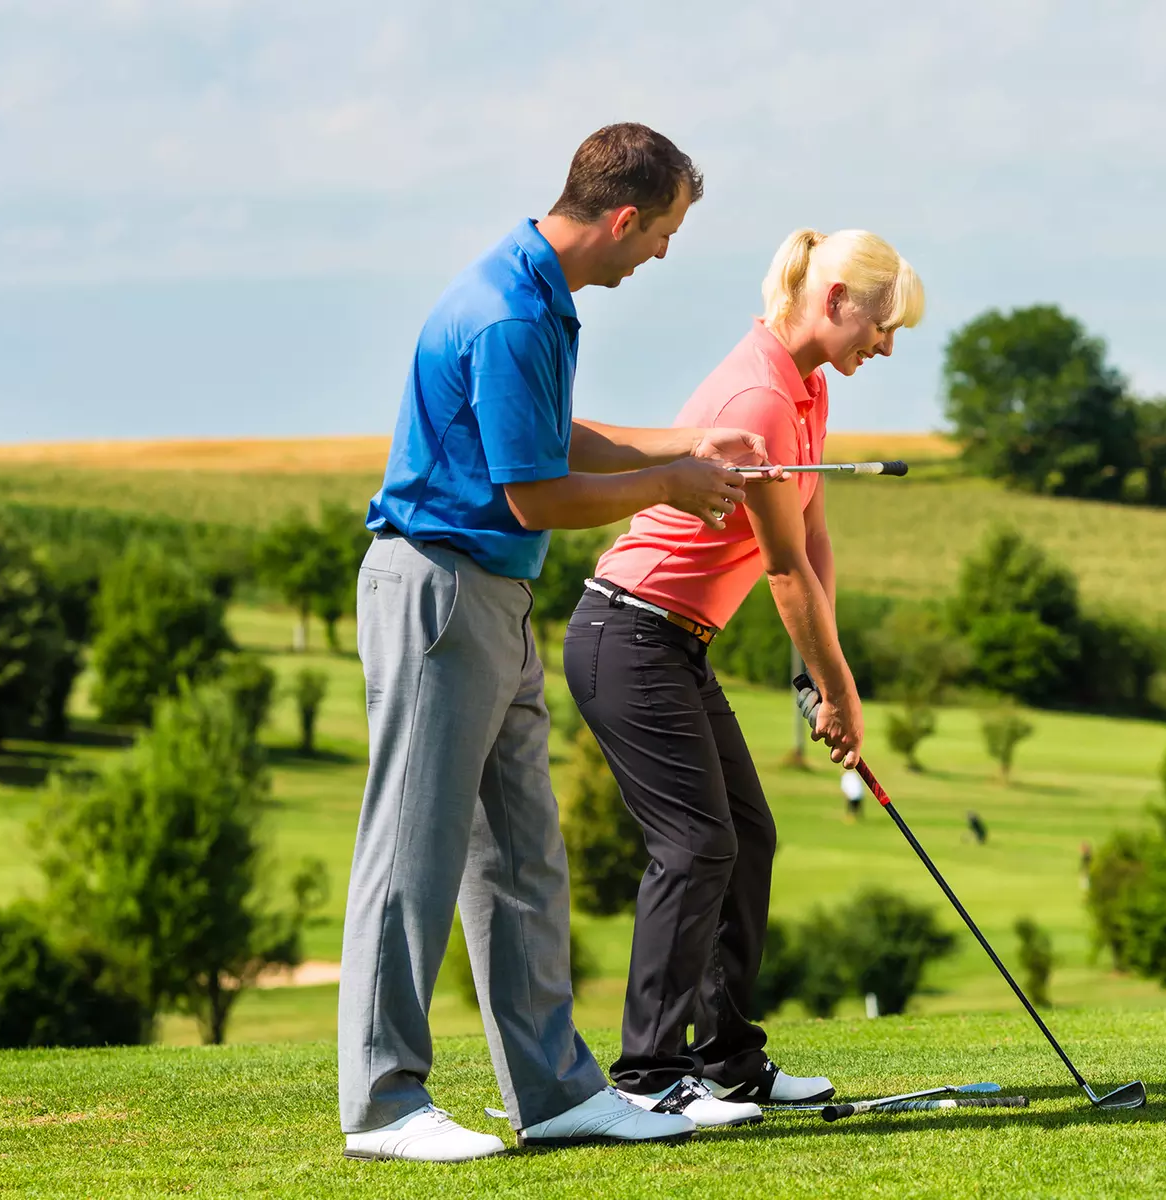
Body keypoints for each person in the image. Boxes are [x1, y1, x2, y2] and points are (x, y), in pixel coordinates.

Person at [339, 123, 780, 1163]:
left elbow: (549, 439)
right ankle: (386, 1103)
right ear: (624, 219)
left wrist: (681, 442)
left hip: (492, 597)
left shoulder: (535, 296)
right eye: (664, 233)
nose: (661, 254)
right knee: (415, 853)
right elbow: (532, 493)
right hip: (439, 590)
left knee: (524, 856)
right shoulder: (507, 313)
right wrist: (670, 486)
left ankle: (553, 1093)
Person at [565, 228, 924, 1128]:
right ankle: (648, 1072)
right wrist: (839, 692)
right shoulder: (763, 395)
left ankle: (726, 1060)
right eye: (880, 326)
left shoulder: (802, 388)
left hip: (672, 643)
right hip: (627, 633)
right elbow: (781, 568)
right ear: (836, 297)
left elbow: (815, 539)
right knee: (695, 845)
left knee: (746, 835)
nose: (882, 346)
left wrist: (816, 672)